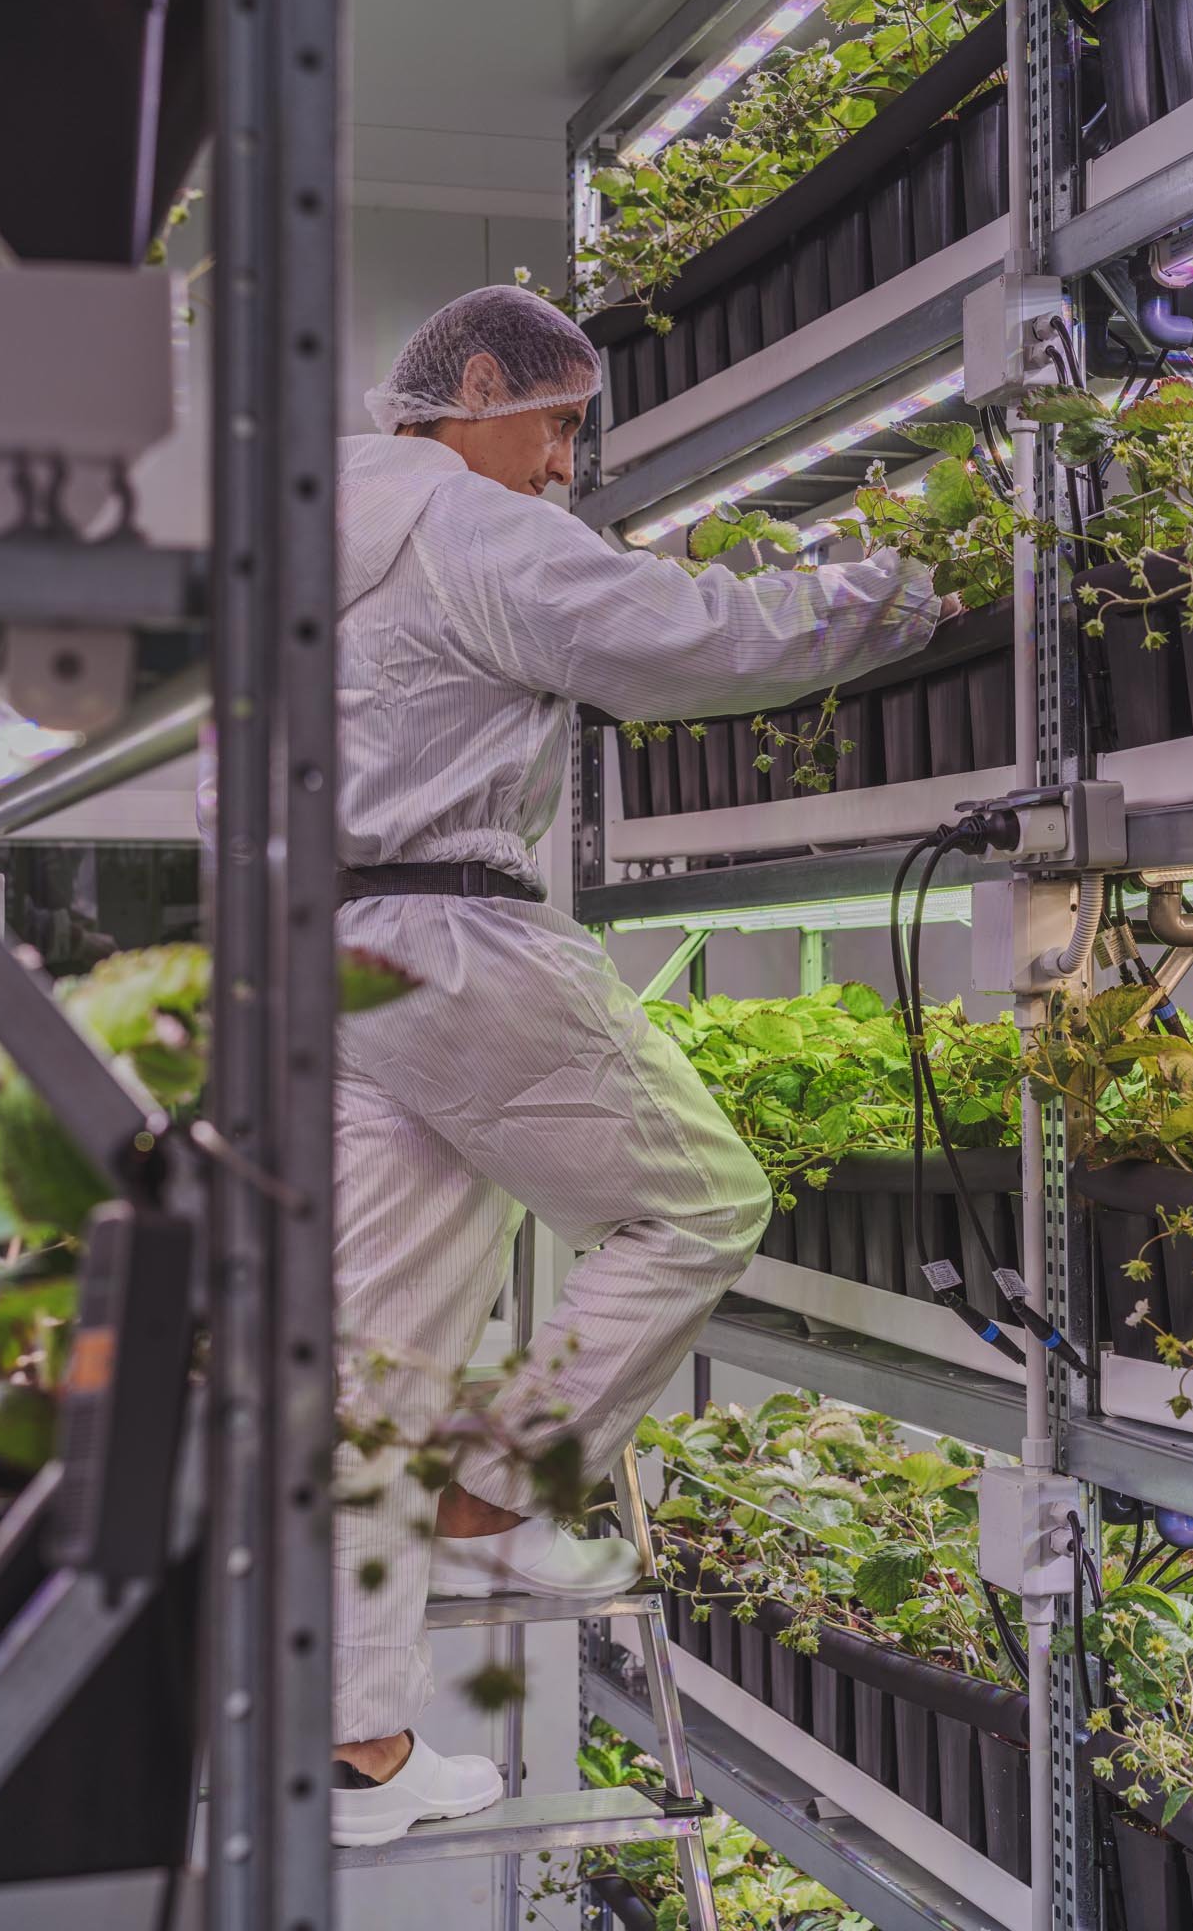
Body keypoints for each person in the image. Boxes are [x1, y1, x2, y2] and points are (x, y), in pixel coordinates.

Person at [330, 284, 955, 1847]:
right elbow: (680, 637)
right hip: (445, 933)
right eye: (554, 426)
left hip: (302, 956)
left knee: (368, 1363)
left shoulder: (297, 535)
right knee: (696, 1201)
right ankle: (498, 1486)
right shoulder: (466, 526)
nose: (561, 469)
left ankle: (354, 1748)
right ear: (472, 387)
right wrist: (906, 591)